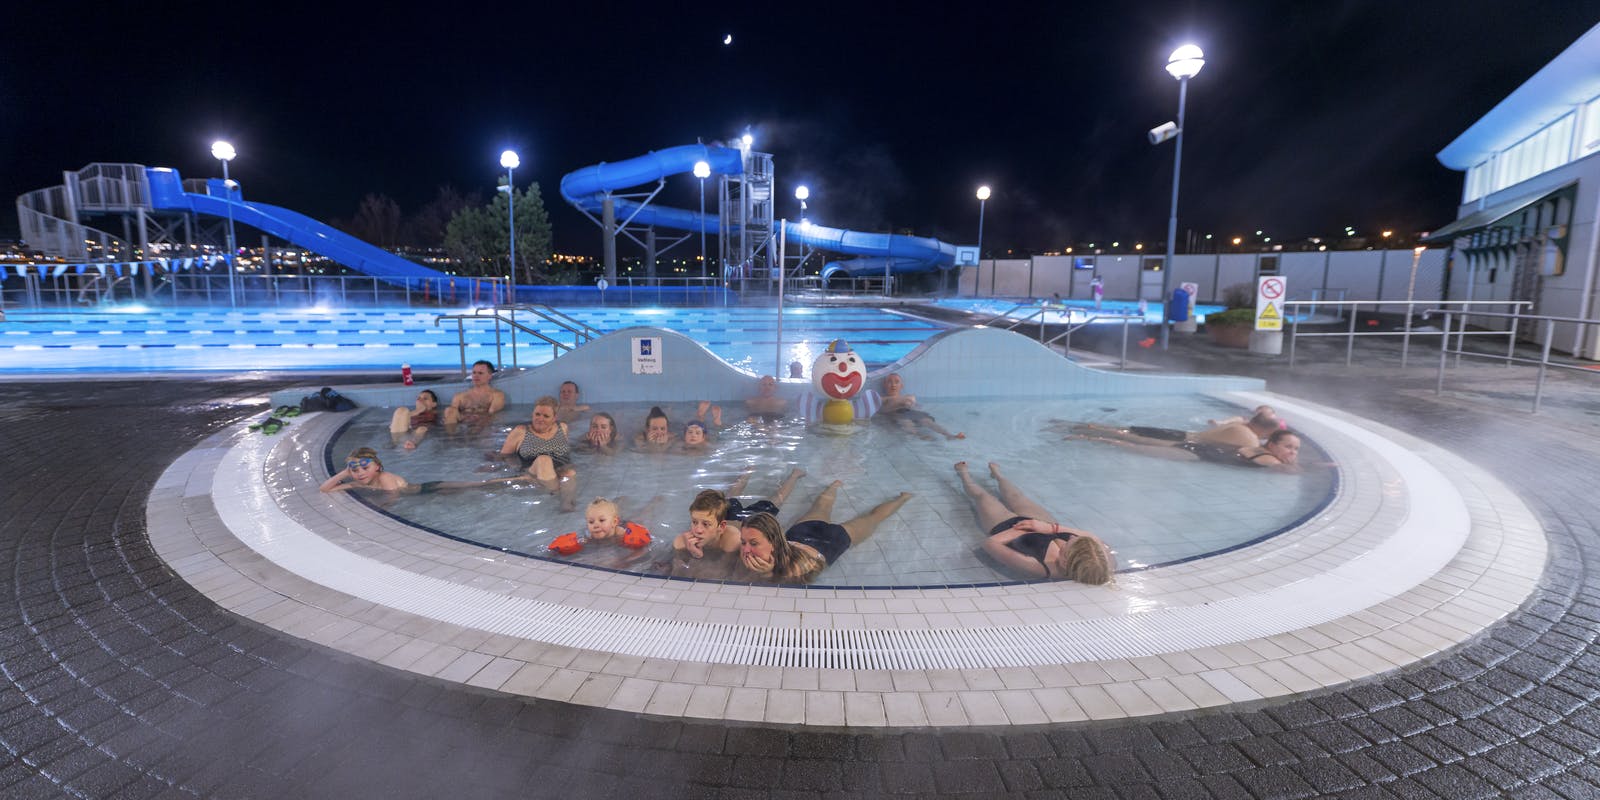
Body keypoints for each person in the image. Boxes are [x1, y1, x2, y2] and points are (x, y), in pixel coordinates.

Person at [953, 461, 1115, 584]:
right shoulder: (1099, 561)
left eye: (1068, 545)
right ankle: (998, 475)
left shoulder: (1037, 567)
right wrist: (1051, 528)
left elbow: (989, 544)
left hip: (1008, 527)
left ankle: (964, 475)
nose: (1071, 537)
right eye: (1074, 537)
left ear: (1065, 562)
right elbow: (1094, 538)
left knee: (984, 497)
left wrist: (1022, 530)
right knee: (1017, 496)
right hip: (1043, 523)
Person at [735, 481, 912, 584]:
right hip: (802, 533)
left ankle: (903, 498)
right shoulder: (757, 551)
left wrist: (767, 574)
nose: (746, 549)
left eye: (754, 543)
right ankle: (834, 486)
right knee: (821, 506)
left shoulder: (796, 568)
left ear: (774, 542)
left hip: (830, 541)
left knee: (874, 518)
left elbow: (799, 579)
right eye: (744, 542)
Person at [1079, 428, 1306, 472]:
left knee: (1138, 441)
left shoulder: (1254, 446)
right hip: (1193, 454)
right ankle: (1090, 437)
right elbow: (1290, 471)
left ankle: (1090, 433)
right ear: (1273, 445)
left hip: (1196, 448)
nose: (1292, 453)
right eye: (1289, 447)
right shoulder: (1269, 460)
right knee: (1136, 448)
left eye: (1296, 449)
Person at [1060, 408, 1281, 451]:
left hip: (1178, 432)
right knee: (1129, 439)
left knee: (1122, 429)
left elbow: (1261, 411)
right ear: (1267, 431)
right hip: (1180, 442)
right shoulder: (1250, 440)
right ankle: (1081, 436)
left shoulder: (1239, 423)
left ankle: (1076, 426)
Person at [496, 395, 578, 510]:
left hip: (559, 471)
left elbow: (566, 454)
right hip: (533, 471)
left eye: (546, 416)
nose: (540, 418)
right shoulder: (520, 431)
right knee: (544, 460)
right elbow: (504, 456)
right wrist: (516, 469)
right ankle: (557, 494)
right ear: (532, 414)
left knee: (570, 472)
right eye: (537, 414)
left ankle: (566, 505)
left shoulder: (563, 428)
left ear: (554, 418)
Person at [878, 373, 965, 440]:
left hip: (911, 412)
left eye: (897, 382)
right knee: (907, 423)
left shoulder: (909, 396)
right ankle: (919, 435)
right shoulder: (884, 399)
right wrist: (898, 403)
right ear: (885, 385)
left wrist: (912, 405)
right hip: (896, 413)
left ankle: (949, 435)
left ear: (902, 386)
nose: (893, 385)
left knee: (927, 421)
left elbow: (916, 406)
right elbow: (882, 410)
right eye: (889, 382)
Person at [722, 467, 806, 522]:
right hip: (735, 522)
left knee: (774, 502)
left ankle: (795, 475)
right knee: (731, 498)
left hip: (739, 524)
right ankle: (748, 470)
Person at [443, 360, 507, 429]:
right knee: (450, 410)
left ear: (489, 376)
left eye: (480, 373)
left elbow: (492, 415)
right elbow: (451, 415)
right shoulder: (460, 396)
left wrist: (475, 418)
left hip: (484, 426)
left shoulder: (496, 395)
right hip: (463, 425)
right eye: (474, 373)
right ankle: (450, 436)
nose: (476, 376)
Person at [320, 447, 410, 493]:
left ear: (377, 467)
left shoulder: (384, 477)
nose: (361, 473)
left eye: (365, 468)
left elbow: (393, 497)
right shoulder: (359, 484)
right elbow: (325, 489)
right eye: (355, 470)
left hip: (418, 491)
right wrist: (345, 473)